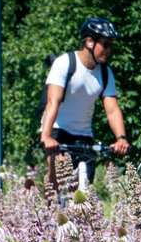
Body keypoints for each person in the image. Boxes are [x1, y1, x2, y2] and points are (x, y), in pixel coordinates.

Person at [40, 17, 130, 193]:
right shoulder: (65, 63)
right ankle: (46, 214)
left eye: (110, 45)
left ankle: (78, 219)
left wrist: (121, 138)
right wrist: (46, 136)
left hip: (83, 136)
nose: (109, 50)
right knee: (58, 172)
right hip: (57, 130)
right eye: (105, 44)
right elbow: (53, 101)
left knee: (82, 191)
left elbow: (112, 110)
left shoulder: (105, 73)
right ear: (89, 42)